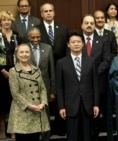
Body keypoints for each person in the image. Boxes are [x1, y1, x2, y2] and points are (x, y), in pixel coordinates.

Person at [56, 30, 99, 141]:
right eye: (73, 42)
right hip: (70, 105)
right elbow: (59, 87)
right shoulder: (61, 63)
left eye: (78, 41)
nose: (76, 44)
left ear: (83, 43)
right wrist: (61, 106)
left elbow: (95, 84)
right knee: (72, 136)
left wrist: (96, 104)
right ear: (68, 44)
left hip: (88, 105)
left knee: (88, 136)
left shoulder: (91, 61)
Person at [36, 2, 68, 135]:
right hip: (43, 71)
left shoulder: (63, 28)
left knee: (61, 97)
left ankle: (60, 129)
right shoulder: (37, 29)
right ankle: (46, 130)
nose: (48, 13)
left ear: (54, 13)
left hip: (61, 68)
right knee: (45, 99)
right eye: (45, 11)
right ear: (42, 14)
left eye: (50, 10)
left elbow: (67, 49)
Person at [7, 44, 50, 141]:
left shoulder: (37, 69)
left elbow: (42, 88)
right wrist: (30, 106)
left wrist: (43, 103)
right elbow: (15, 94)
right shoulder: (13, 71)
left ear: (30, 54)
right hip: (23, 113)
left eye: (27, 52)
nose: (24, 54)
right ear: (16, 55)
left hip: (38, 111)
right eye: (21, 52)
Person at [81, 14, 111, 139]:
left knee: (96, 112)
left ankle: (95, 132)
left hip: (98, 81)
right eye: (86, 23)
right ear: (81, 25)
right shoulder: (76, 40)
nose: (89, 25)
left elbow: (106, 60)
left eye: (91, 23)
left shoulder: (103, 40)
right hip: (80, 83)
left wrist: (92, 73)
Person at [27, 27, 55, 141]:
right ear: (28, 37)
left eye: (38, 36)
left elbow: (52, 70)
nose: (35, 39)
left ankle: (45, 138)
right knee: (30, 114)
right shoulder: (23, 48)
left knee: (45, 116)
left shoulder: (47, 48)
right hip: (28, 87)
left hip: (45, 87)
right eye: (32, 37)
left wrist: (53, 91)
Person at [0, 10, 22, 139]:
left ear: (12, 21)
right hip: (0, 73)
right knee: (1, 102)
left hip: (15, 72)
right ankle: (2, 127)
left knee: (14, 101)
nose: (6, 22)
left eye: (9, 19)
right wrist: (3, 71)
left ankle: (13, 128)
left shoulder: (16, 35)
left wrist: (14, 72)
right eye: (4, 19)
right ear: (1, 22)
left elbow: (22, 53)